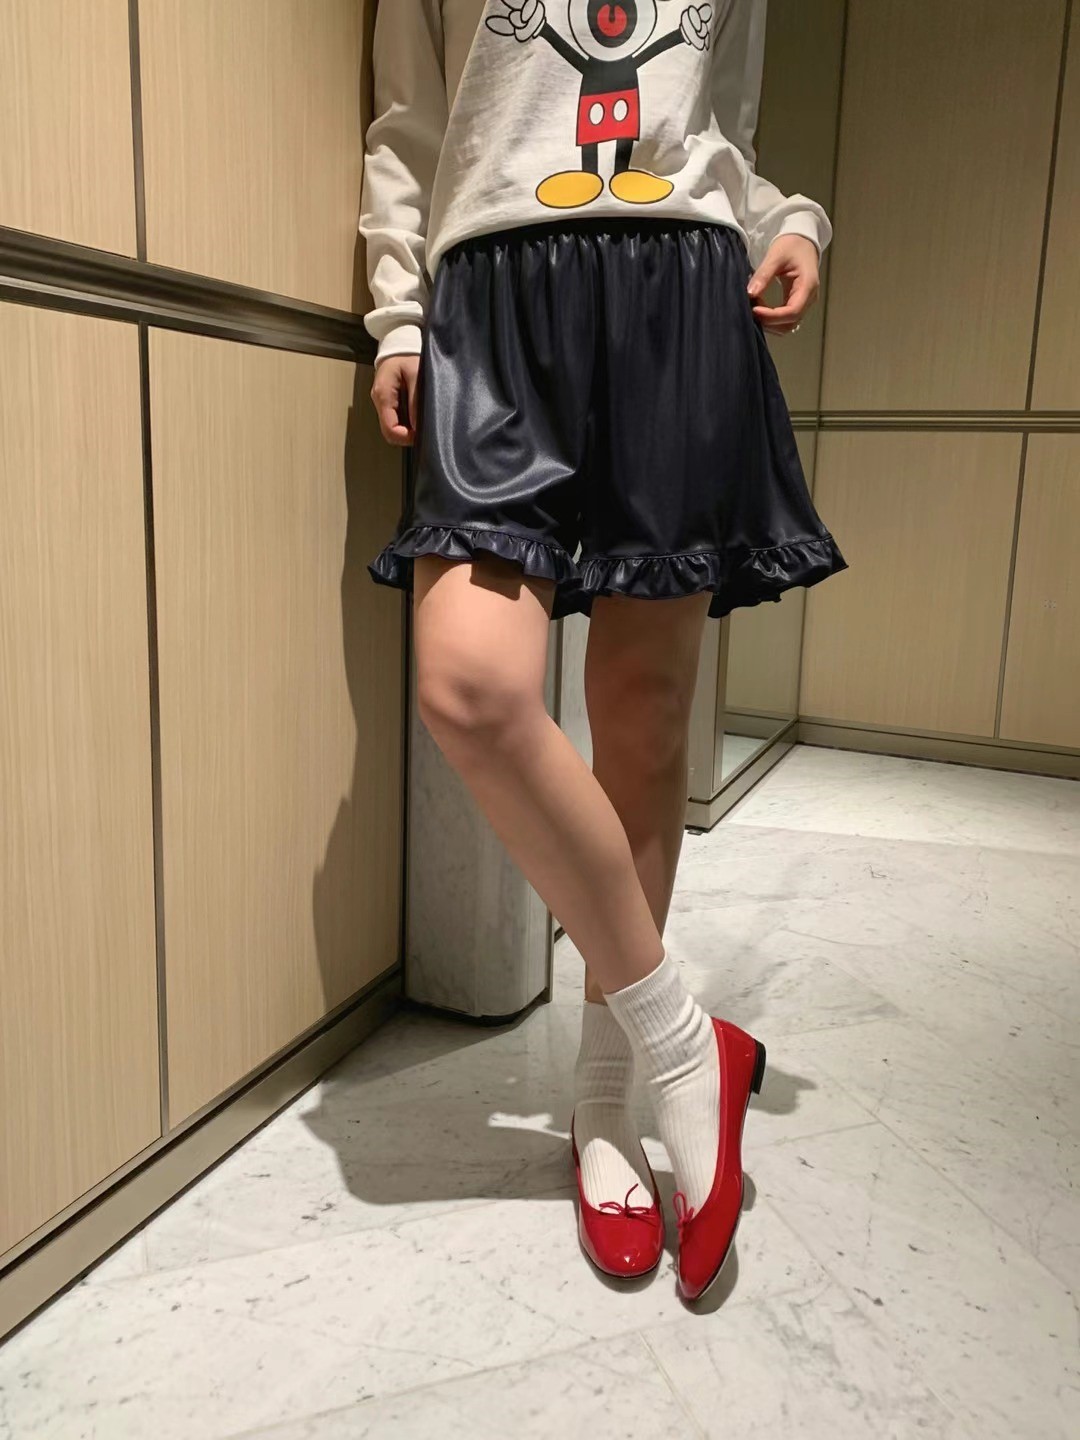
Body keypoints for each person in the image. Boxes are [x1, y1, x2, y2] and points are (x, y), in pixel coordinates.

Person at [359, 0, 847, 1302]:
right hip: (495, 294)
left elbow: (719, 128)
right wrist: (399, 311)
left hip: (680, 293)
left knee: (642, 711)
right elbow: (414, 111)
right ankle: (684, 1047)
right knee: (472, 683)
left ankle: (603, 1101)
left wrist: (793, 221)